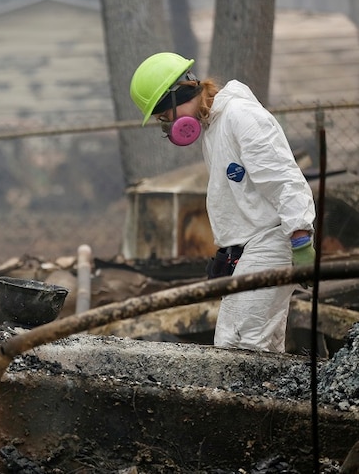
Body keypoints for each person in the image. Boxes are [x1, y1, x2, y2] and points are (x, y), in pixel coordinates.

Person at [129, 52, 316, 353]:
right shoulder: (214, 127)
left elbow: (283, 179)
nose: (168, 128)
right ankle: (275, 399)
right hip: (251, 246)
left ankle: (242, 400)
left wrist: (301, 240)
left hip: (270, 241)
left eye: (165, 119)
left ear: (177, 97)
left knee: (239, 345)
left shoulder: (242, 117)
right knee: (260, 346)